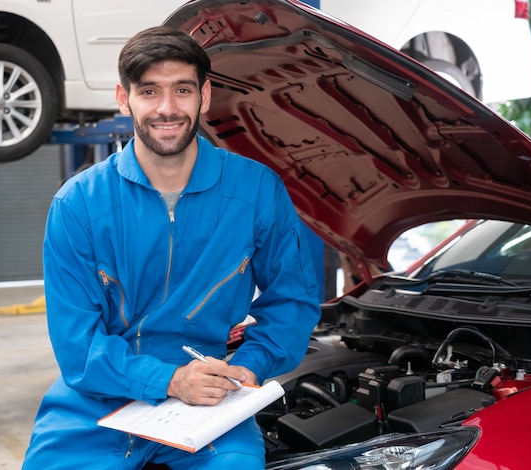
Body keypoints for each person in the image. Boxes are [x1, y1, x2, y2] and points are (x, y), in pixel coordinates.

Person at [22, 26, 321, 469]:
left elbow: (294, 299)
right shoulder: (79, 204)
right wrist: (169, 380)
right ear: (124, 98)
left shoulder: (257, 190)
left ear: (205, 93)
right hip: (95, 401)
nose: (167, 108)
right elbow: (77, 344)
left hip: (211, 398)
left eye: (182, 89)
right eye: (149, 91)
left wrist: (250, 366)